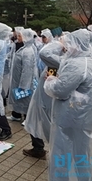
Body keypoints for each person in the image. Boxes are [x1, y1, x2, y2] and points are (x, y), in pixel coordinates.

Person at [44, 29, 92, 181]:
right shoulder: (86, 58)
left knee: (63, 152)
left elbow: (59, 90)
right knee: (80, 153)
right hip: (80, 116)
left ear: (77, 44)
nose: (66, 47)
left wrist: (51, 80)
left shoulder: (77, 64)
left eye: (69, 43)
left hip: (70, 117)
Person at [24, 29, 63, 159]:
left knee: (44, 123)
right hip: (42, 97)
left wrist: (58, 43)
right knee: (35, 121)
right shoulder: (58, 62)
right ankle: (38, 147)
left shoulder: (58, 62)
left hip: (45, 99)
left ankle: (41, 149)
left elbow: (44, 53)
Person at [8, 28, 38, 123]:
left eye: (20, 36)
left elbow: (27, 70)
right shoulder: (24, 48)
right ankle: (16, 115)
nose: (18, 37)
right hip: (18, 78)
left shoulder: (28, 51)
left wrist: (24, 85)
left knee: (26, 99)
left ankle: (27, 118)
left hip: (25, 80)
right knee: (19, 99)